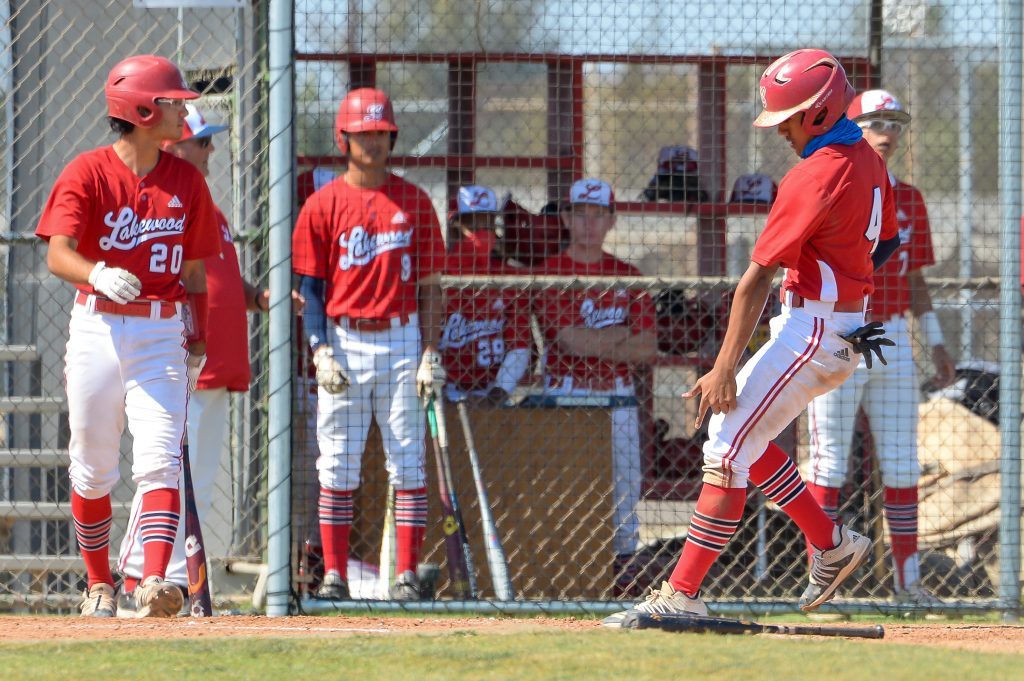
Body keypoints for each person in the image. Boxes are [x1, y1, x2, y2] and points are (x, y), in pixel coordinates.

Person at [604, 48, 900, 625]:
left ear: (816, 113)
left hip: (813, 329)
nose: (782, 132)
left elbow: (754, 280)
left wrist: (720, 366)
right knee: (739, 439)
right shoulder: (866, 158)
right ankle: (830, 541)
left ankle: (682, 594)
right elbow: (883, 244)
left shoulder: (812, 173)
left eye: (788, 119)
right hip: (840, 325)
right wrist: (834, 271)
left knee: (724, 446)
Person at [35, 55, 220, 618]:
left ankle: (154, 580)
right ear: (141, 110)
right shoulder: (87, 171)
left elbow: (194, 274)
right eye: (171, 101)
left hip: (161, 330)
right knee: (92, 465)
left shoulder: (186, 179)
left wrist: (199, 339)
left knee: (160, 459)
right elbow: (57, 253)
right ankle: (98, 586)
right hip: (96, 324)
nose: (181, 109)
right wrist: (95, 272)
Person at [802, 89, 956, 607]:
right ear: (852, 125)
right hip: (839, 330)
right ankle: (823, 584)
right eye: (874, 121)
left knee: (902, 462)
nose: (886, 132)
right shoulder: (832, 180)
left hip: (889, 337)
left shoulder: (908, 197)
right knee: (829, 465)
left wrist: (935, 342)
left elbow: (914, 276)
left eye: (894, 122)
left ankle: (907, 583)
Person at [292, 87, 446, 601]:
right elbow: (310, 290)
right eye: (363, 134)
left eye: (381, 133)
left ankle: (405, 573)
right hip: (343, 337)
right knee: (337, 460)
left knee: (408, 460)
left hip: (401, 338)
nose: (373, 142)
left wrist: (430, 351)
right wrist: (319, 347)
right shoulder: (323, 204)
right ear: (344, 138)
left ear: (392, 137)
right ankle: (334, 574)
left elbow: (429, 289)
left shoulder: (415, 202)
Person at [115, 103, 271, 611]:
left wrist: (258, 297)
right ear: (173, 144)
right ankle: (138, 576)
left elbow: (220, 280)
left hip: (217, 365)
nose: (211, 150)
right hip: (180, 364)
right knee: (163, 473)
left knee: (197, 482)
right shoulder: (163, 203)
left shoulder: (207, 206)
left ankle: (177, 584)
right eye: (202, 141)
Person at [527, 178, 658, 588]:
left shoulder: (628, 275)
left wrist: (597, 342)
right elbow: (568, 339)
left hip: (617, 394)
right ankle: (565, 566)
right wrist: (619, 336)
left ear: (611, 221)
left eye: (598, 215)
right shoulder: (551, 272)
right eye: (580, 213)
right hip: (565, 390)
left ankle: (622, 566)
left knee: (624, 482)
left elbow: (648, 347)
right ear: (566, 217)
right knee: (564, 482)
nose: (588, 223)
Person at [439, 185, 532, 406]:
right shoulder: (439, 273)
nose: (482, 230)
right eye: (472, 223)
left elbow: (519, 344)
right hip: (446, 391)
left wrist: (498, 393)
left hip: (494, 392)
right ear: (456, 227)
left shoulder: (508, 276)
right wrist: (440, 389)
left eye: (487, 222)